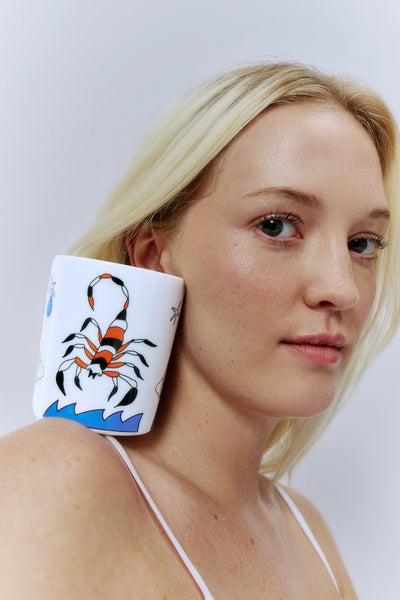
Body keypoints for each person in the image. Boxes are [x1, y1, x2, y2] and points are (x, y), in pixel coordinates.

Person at [1, 62, 399, 599]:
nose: (342, 289)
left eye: (362, 244)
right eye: (276, 225)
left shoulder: (309, 536)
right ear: (153, 255)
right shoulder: (55, 480)